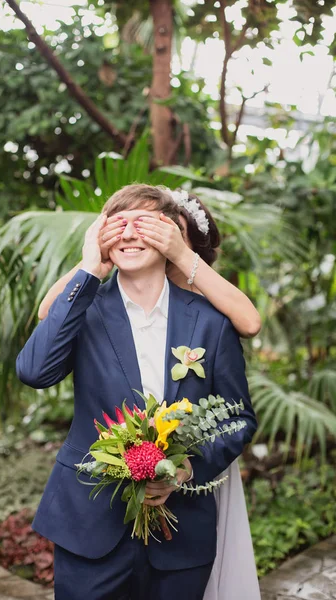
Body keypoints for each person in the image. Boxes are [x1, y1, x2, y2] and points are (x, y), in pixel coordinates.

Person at [16, 184, 258, 600]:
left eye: (143, 224)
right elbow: (34, 371)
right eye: (117, 225)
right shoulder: (82, 309)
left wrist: (188, 469)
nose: (128, 234)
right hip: (88, 526)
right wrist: (90, 267)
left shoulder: (209, 321)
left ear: (170, 237)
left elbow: (237, 416)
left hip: (180, 536)